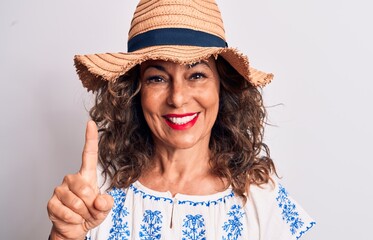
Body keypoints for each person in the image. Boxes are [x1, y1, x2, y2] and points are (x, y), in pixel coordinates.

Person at [47, 0, 315, 239]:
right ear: (134, 91)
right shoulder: (96, 194)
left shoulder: (260, 199)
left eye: (197, 75)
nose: (177, 98)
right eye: (157, 78)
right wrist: (64, 235)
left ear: (222, 86)